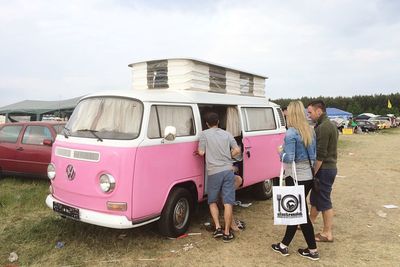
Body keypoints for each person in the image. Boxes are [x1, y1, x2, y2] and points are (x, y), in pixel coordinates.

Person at [271, 101, 319, 261]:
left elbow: (289, 158)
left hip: (295, 177)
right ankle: (284, 245)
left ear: (291, 114)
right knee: (297, 212)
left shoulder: (291, 133)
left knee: (300, 214)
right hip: (308, 177)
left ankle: (312, 250)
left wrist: (280, 152)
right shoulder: (309, 130)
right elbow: (313, 157)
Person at [198, 112, 241, 242]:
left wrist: (199, 151)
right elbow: (237, 150)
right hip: (228, 170)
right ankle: (227, 232)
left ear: (206, 123)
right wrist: (229, 155)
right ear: (218, 122)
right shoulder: (227, 134)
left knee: (212, 201)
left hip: (214, 171)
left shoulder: (204, 134)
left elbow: (201, 152)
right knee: (228, 202)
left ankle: (217, 228)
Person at [307, 100, 338, 243]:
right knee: (315, 198)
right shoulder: (327, 124)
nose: (309, 115)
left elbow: (320, 154)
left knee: (324, 200)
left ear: (319, 111)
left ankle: (327, 233)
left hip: (325, 169)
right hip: (327, 168)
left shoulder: (324, 127)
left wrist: (313, 172)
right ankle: (309, 222)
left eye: (310, 112)